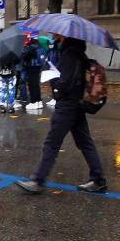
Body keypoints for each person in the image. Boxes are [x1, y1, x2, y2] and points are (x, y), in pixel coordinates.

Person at [16, 36, 107, 194]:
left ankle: (38, 181)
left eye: (58, 35)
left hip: (67, 106)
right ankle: (98, 180)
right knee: (85, 143)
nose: (55, 36)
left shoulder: (69, 55)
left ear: (66, 36)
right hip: (77, 104)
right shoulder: (79, 53)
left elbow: (65, 84)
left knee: (51, 144)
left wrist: (55, 79)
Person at [21, 34, 44, 110]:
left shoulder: (31, 47)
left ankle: (33, 102)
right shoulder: (40, 46)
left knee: (32, 85)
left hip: (31, 67)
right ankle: (38, 101)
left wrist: (24, 49)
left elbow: (24, 56)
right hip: (38, 67)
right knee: (36, 85)